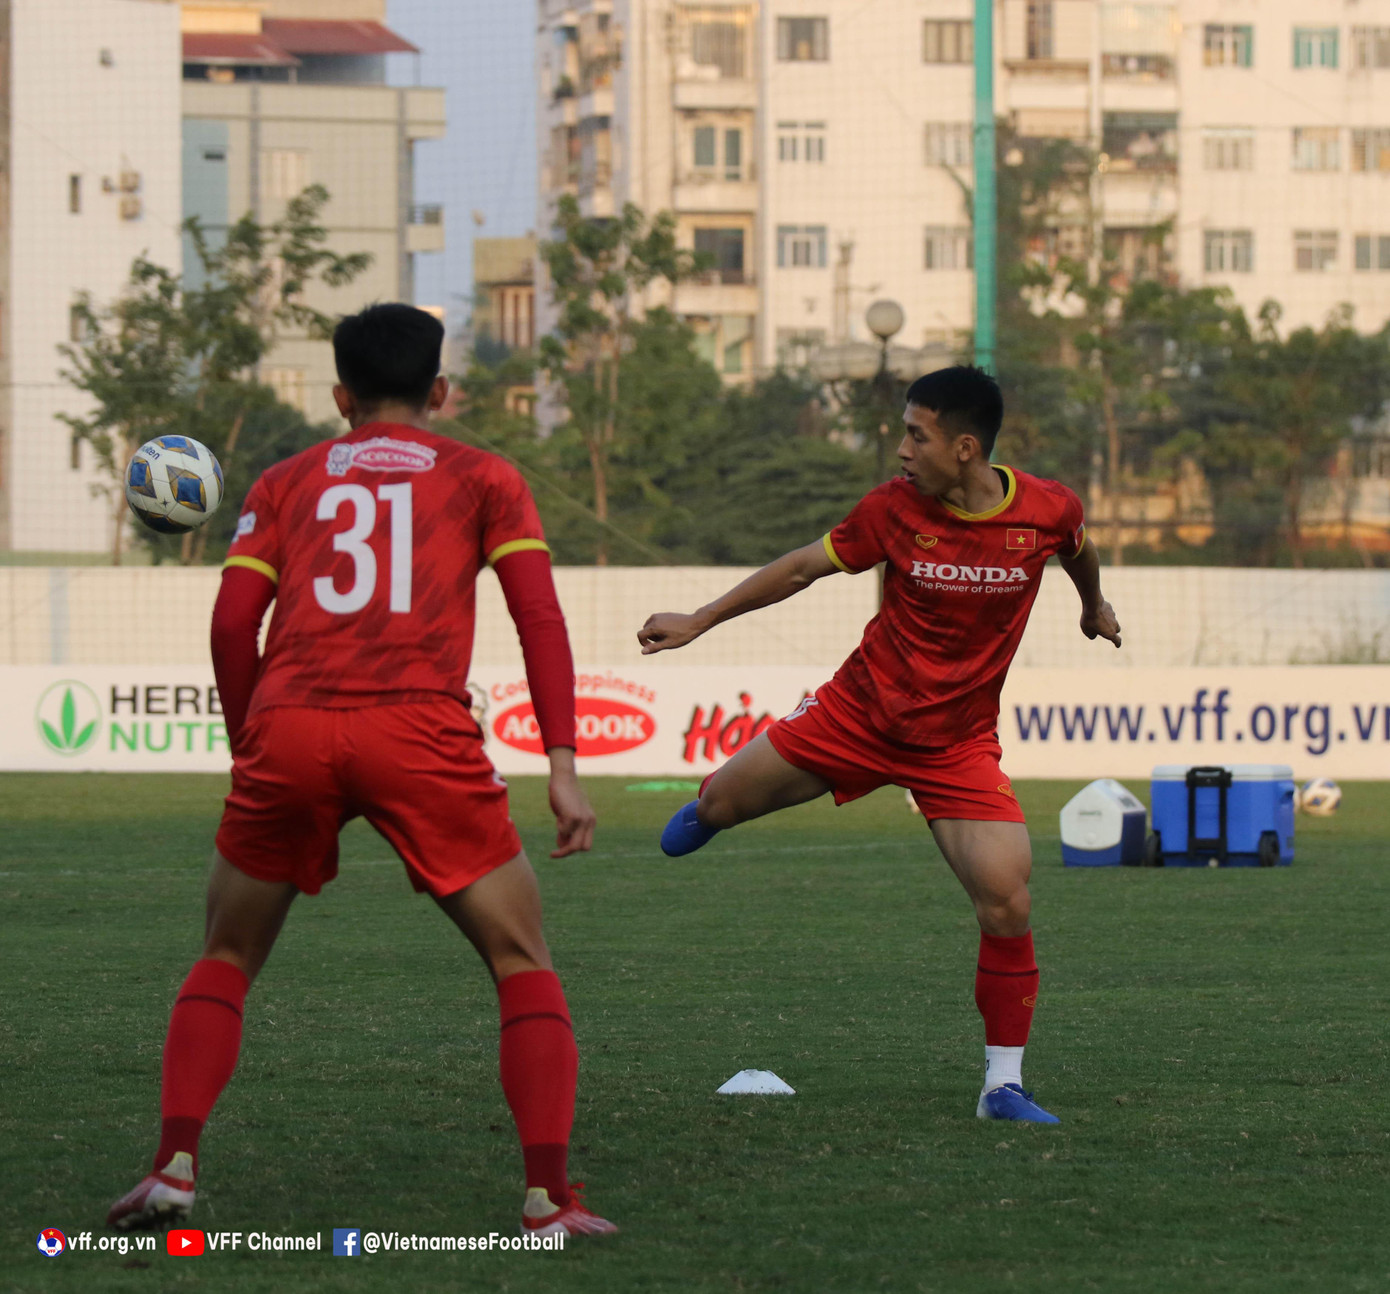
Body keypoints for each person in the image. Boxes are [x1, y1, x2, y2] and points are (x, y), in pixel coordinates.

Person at [108, 304, 615, 1238]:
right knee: (520, 959)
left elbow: (232, 623)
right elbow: (539, 618)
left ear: (340, 396)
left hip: (291, 724)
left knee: (225, 954)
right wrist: (562, 763)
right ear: (441, 391)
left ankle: (172, 1167)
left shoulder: (286, 480)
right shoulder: (486, 478)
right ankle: (546, 1199)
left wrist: (251, 740)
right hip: (418, 729)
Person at [639, 365, 1121, 1123]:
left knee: (1008, 901)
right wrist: (700, 620)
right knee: (722, 802)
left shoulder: (1049, 509)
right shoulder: (893, 509)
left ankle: (1002, 1087)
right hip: (856, 715)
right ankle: (711, 808)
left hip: (957, 745)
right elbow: (801, 568)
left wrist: (1093, 605)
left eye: (916, 436)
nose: (901, 450)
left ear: (964, 448)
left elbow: (1079, 548)